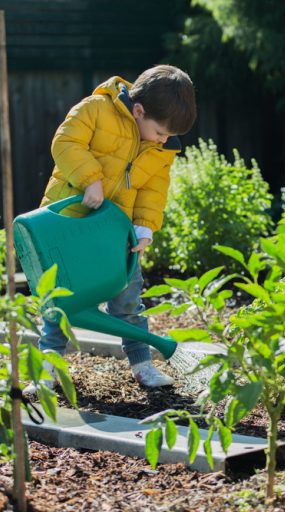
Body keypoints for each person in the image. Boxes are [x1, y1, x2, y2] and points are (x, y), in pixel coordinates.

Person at [32, 64, 197, 389]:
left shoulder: (161, 147)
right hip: (69, 227)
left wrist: (144, 227)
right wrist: (90, 179)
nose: (164, 140)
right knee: (59, 301)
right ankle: (47, 371)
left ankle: (142, 365)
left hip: (114, 236)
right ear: (138, 111)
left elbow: (153, 188)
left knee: (128, 301)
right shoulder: (95, 109)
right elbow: (65, 143)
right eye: (161, 132)